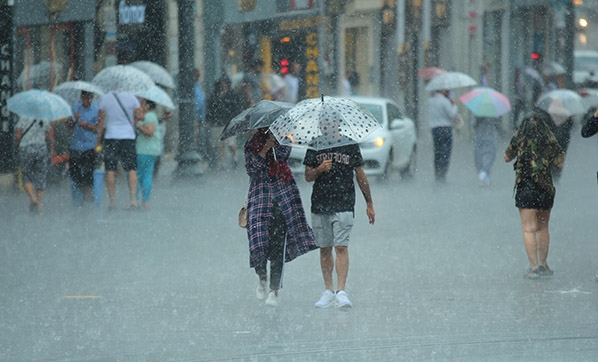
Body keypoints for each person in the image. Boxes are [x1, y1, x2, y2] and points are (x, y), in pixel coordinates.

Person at [304, 125, 375, 308]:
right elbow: (308, 176)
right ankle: (328, 290)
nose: (326, 126)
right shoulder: (315, 144)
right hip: (320, 203)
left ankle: (341, 291)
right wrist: (319, 169)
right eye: (323, 122)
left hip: (344, 202)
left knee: (341, 246)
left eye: (330, 122)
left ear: (337, 124)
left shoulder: (349, 145)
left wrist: (369, 203)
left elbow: (360, 175)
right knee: (325, 248)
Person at [244, 128, 317, 307]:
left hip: (283, 196)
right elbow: (252, 169)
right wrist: (263, 151)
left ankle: (274, 290)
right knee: (257, 240)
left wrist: (273, 145)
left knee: (278, 247)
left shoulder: (282, 141)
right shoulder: (250, 145)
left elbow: (284, 155)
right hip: (260, 197)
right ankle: (261, 276)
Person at [504, 108, 565, 279]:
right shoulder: (548, 137)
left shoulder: (520, 136)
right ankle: (544, 265)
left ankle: (534, 267)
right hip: (545, 187)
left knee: (529, 229)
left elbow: (506, 157)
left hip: (526, 188)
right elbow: (560, 163)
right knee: (543, 227)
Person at [98, 91, 143, 210]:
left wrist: (98, 140)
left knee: (110, 169)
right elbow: (140, 116)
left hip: (111, 136)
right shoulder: (132, 97)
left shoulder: (105, 98)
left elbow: (101, 122)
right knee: (131, 168)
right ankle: (133, 199)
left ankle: (112, 202)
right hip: (128, 136)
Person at [67, 91, 101, 204]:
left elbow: (98, 128)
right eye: (86, 97)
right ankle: (87, 193)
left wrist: (86, 126)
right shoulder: (75, 108)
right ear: (82, 97)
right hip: (75, 145)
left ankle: (87, 194)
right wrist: (74, 119)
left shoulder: (96, 110)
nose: (88, 100)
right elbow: (68, 125)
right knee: (74, 171)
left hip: (89, 145)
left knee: (88, 172)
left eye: (91, 97)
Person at [14, 117, 51, 213]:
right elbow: (48, 135)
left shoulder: (24, 116)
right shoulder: (44, 117)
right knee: (41, 175)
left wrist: (16, 144)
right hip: (41, 148)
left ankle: (33, 198)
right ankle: (39, 205)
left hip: (26, 148)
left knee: (26, 175)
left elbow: (18, 135)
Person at [206, 77, 243, 169]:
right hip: (217, 123)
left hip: (229, 122)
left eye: (225, 83)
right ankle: (223, 162)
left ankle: (234, 156)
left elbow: (236, 108)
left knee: (231, 143)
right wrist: (209, 120)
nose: (223, 85)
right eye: (221, 84)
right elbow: (210, 109)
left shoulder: (232, 95)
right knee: (220, 144)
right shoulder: (214, 95)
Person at [428, 89, 459, 183]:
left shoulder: (430, 101)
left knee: (437, 152)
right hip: (445, 129)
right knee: (445, 153)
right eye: (447, 91)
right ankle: (442, 175)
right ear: (442, 91)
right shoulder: (445, 102)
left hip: (435, 129)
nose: (448, 92)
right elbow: (452, 114)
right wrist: (454, 105)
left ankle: (437, 174)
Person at [135, 98, 161, 209]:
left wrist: (138, 125)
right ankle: (145, 200)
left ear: (148, 106)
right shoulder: (150, 116)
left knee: (139, 176)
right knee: (146, 175)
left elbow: (149, 132)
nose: (141, 105)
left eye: (143, 103)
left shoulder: (149, 116)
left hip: (144, 150)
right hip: (151, 150)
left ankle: (138, 200)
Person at [472, 116, 500, 186]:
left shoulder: (478, 114)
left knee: (479, 157)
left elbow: (473, 125)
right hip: (491, 137)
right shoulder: (495, 114)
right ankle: (484, 174)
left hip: (480, 137)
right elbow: (497, 125)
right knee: (489, 156)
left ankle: (484, 176)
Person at [194, 68, 208, 161]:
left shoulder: (197, 85)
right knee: (196, 136)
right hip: (195, 116)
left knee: (199, 137)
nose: (198, 77)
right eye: (197, 75)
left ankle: (200, 154)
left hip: (199, 117)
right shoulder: (191, 86)